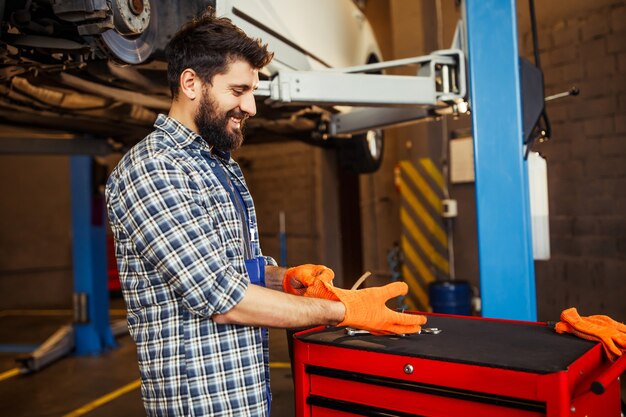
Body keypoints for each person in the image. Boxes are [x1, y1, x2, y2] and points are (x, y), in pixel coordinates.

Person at [105, 7, 425, 417]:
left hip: (245, 394)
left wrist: (284, 278)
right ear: (191, 84)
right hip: (201, 404)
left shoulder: (218, 164)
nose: (251, 107)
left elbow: (232, 267)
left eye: (252, 91)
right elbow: (222, 298)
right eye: (238, 91)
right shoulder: (153, 169)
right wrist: (344, 311)